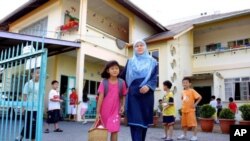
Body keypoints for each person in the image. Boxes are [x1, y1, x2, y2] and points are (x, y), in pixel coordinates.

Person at [120, 40, 158, 141]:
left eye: (142, 45)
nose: (139, 47)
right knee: (135, 123)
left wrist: (149, 86)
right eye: (137, 46)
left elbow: (154, 77)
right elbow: (122, 76)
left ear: (145, 47)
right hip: (133, 94)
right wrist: (110, 78)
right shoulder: (130, 61)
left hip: (146, 95)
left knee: (143, 124)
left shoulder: (153, 62)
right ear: (134, 49)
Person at [96, 60, 127, 141]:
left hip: (116, 111)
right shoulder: (104, 82)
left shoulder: (122, 82)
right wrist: (98, 113)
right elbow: (100, 98)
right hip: (104, 111)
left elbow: (124, 95)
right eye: (112, 68)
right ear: (108, 70)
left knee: (115, 130)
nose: (115, 70)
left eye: (116, 68)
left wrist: (123, 106)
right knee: (103, 131)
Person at [15, 68, 40, 141]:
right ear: (32, 74)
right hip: (29, 108)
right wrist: (23, 107)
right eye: (37, 73)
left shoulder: (41, 84)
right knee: (29, 124)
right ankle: (23, 137)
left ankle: (23, 138)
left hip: (37, 108)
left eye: (40, 73)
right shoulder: (28, 83)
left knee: (32, 125)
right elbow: (24, 96)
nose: (39, 74)